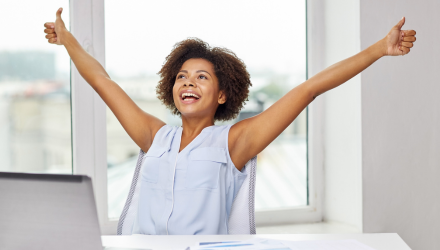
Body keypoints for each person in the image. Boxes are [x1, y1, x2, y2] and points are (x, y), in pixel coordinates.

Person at [44, 8, 416, 235]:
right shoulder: (154, 137)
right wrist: (68, 39)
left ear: (222, 95)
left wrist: (379, 49)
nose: (188, 81)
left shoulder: (233, 142)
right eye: (182, 76)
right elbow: (101, 80)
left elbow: (309, 89)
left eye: (202, 77)